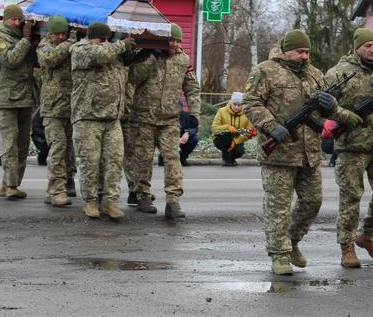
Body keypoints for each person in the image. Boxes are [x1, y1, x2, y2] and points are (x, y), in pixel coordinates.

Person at [243, 29, 335, 276]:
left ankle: (292, 240)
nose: (305, 56)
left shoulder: (315, 75)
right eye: (299, 52)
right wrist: (271, 126)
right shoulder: (265, 71)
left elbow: (327, 109)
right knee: (278, 206)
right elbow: (251, 102)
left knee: (313, 201)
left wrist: (331, 105)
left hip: (309, 153)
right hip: (279, 153)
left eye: (307, 52)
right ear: (286, 51)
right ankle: (279, 254)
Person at [324, 27, 373, 269]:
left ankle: (367, 235)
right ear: (357, 47)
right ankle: (347, 247)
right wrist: (344, 115)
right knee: (351, 198)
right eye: (367, 46)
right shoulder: (338, 73)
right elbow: (322, 104)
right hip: (351, 147)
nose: (372, 50)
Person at [127, 24, 202, 219]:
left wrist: (194, 114)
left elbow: (192, 88)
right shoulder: (146, 55)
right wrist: (152, 56)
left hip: (169, 120)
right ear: (163, 41)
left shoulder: (183, 60)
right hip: (143, 118)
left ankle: (173, 201)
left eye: (178, 41)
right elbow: (133, 77)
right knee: (142, 159)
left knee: (172, 160)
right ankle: (142, 196)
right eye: (171, 41)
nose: (175, 44)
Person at [70, 22, 134, 220]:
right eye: (102, 39)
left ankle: (110, 201)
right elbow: (100, 55)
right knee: (90, 162)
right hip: (88, 117)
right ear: (92, 38)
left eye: (108, 39)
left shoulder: (113, 53)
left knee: (114, 161)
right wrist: (122, 44)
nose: (106, 43)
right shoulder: (80, 50)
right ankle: (90, 201)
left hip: (112, 117)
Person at [0, 4, 38, 200]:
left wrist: (32, 39)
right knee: (9, 143)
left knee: (23, 143)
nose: (17, 23)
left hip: (25, 96)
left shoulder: (20, 37)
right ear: (5, 19)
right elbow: (11, 59)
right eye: (13, 20)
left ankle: (10, 183)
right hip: (6, 98)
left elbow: (35, 61)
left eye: (19, 19)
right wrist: (25, 40)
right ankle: (11, 185)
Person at [37, 15, 78, 207]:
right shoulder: (44, 46)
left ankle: (66, 181)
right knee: (58, 147)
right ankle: (56, 190)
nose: (60, 37)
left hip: (71, 107)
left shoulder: (73, 46)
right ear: (50, 34)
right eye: (57, 34)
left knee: (70, 150)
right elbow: (50, 59)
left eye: (63, 33)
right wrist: (69, 42)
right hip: (52, 109)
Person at [211, 92, 256, 166]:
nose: (237, 107)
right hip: (221, 138)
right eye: (234, 104)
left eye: (239, 105)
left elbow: (249, 132)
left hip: (237, 138)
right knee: (227, 135)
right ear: (231, 103)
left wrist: (235, 141)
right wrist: (227, 127)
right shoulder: (221, 111)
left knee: (240, 151)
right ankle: (226, 158)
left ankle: (232, 158)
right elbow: (214, 128)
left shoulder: (246, 114)